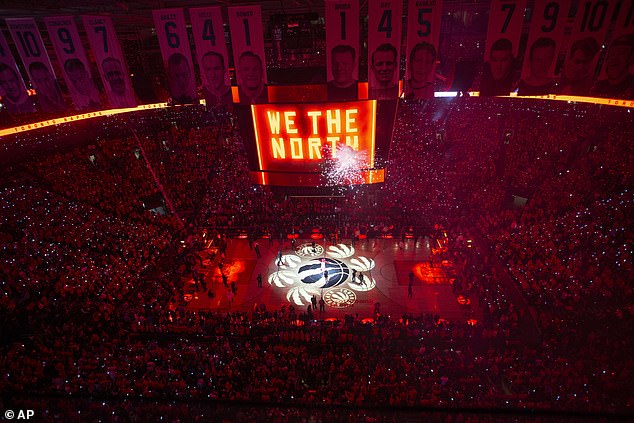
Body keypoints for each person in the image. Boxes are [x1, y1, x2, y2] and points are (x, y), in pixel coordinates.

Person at [591, 34, 634, 99]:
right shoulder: (598, 87)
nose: (614, 58)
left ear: (631, 58)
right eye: (612, 54)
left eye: (622, 53)